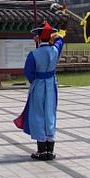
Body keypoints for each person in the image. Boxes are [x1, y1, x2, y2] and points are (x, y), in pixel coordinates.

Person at [21, 21, 64, 161]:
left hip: (39, 84)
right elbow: (60, 39)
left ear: (38, 38)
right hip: (51, 84)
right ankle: (50, 150)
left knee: (38, 113)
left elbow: (28, 72)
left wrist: (35, 80)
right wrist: (52, 37)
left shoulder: (34, 54)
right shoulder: (55, 50)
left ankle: (41, 150)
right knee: (50, 113)